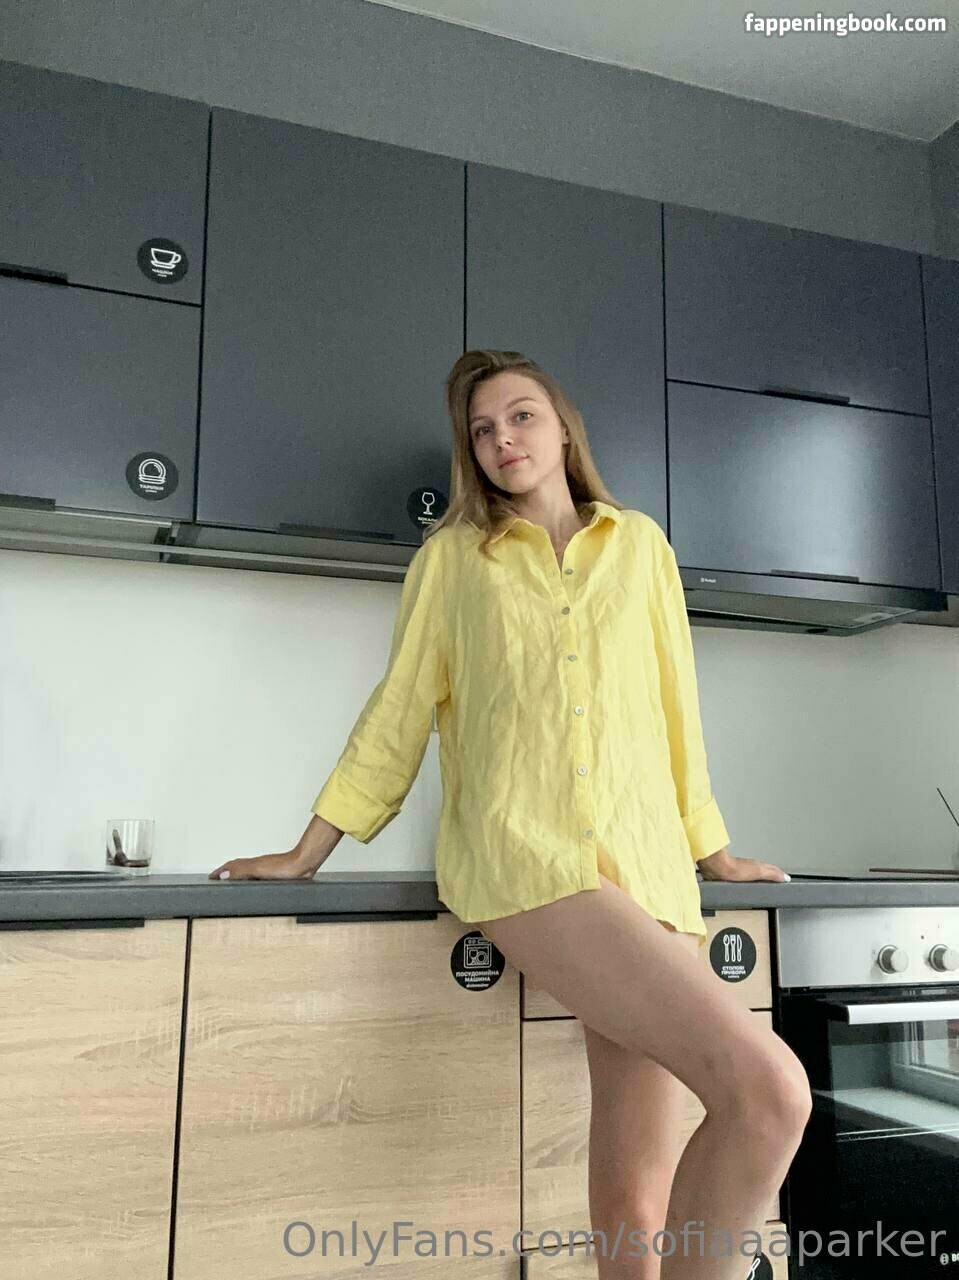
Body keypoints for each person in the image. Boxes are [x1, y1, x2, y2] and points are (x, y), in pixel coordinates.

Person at [209, 349, 812, 1279]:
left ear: (563, 427)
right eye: (482, 429)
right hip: (528, 862)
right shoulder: (454, 561)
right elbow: (398, 711)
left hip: (648, 867)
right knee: (770, 1092)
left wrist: (713, 851)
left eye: (520, 415)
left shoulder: (640, 546)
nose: (502, 439)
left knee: (637, 1188)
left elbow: (674, 708)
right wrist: (305, 852)